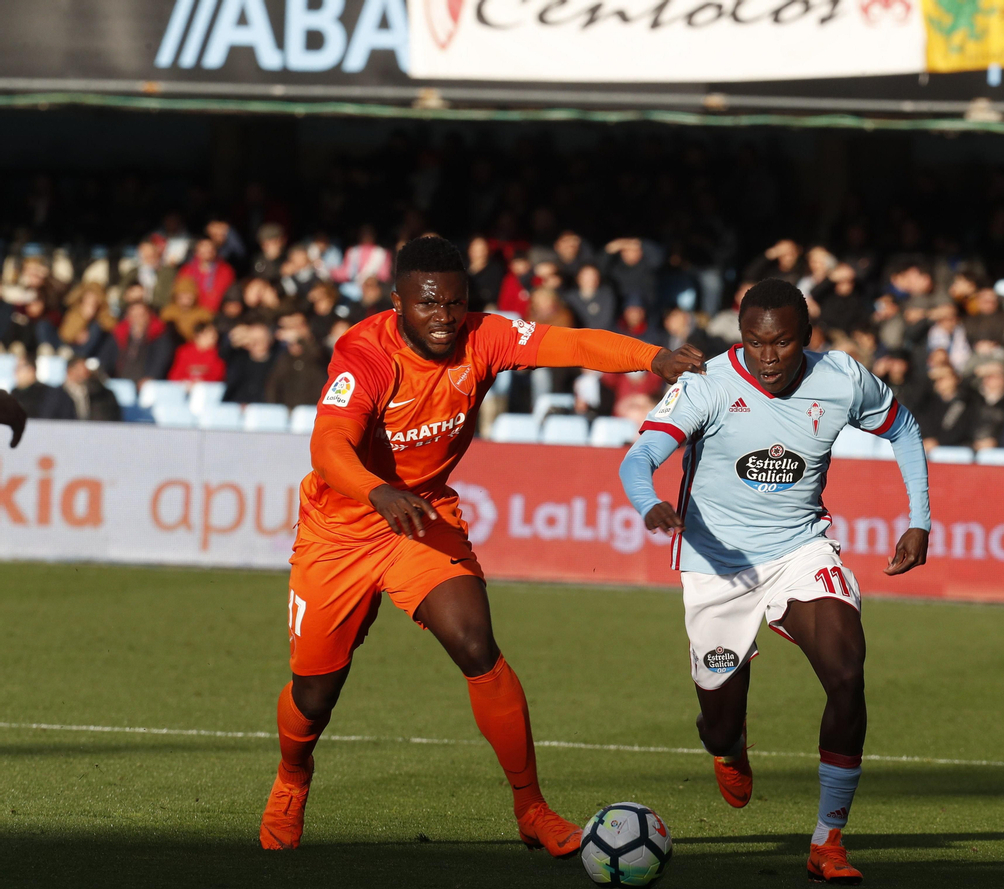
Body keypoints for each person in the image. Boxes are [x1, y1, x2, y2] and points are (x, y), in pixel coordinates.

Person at [260, 235, 705, 852]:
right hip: (340, 531)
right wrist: (377, 492)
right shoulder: (365, 355)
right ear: (398, 303)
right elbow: (328, 446)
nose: (444, 317)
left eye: (455, 303)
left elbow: (571, 343)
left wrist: (653, 358)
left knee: (477, 646)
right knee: (315, 694)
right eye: (428, 304)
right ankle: (292, 777)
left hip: (420, 519)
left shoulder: (485, 336)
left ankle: (531, 809)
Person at [617, 279, 930, 886]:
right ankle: (728, 746)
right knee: (719, 726)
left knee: (847, 671)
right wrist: (649, 503)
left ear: (806, 337)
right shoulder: (706, 384)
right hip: (717, 566)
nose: (767, 357)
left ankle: (827, 841)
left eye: (782, 343)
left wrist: (919, 519)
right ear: (740, 336)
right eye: (754, 342)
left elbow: (904, 428)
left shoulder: (842, 378)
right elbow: (639, 458)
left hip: (800, 551)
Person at [9, 355, 76, 420]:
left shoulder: (52, 394)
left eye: (19, 368)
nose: (15, 372)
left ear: (31, 370)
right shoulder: (15, 394)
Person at [61, 355, 123, 421]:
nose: (85, 371)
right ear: (70, 370)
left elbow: (108, 417)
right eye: (81, 368)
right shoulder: (57, 395)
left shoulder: (101, 394)